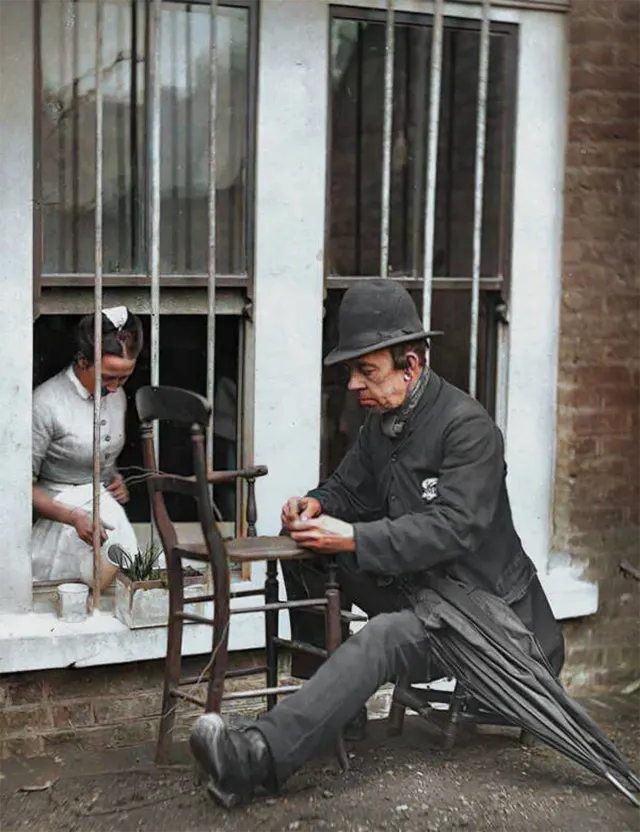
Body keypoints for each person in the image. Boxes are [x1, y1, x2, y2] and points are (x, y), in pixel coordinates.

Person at [189, 279, 566, 807]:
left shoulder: (468, 428)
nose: (352, 385)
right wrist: (316, 505)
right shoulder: (380, 423)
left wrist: (353, 537)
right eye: (351, 372)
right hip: (427, 597)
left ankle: (254, 759)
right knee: (305, 554)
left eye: (367, 371)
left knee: (385, 636)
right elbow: (349, 488)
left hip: (488, 621)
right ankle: (334, 721)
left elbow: (454, 529)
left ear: (410, 365)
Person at [31, 306, 143, 589]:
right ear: (82, 361)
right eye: (107, 377)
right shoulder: (46, 403)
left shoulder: (117, 397)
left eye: (124, 377)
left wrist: (114, 481)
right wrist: (71, 516)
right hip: (61, 521)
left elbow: (102, 459)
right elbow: (17, 486)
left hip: (104, 517)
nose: (116, 387)